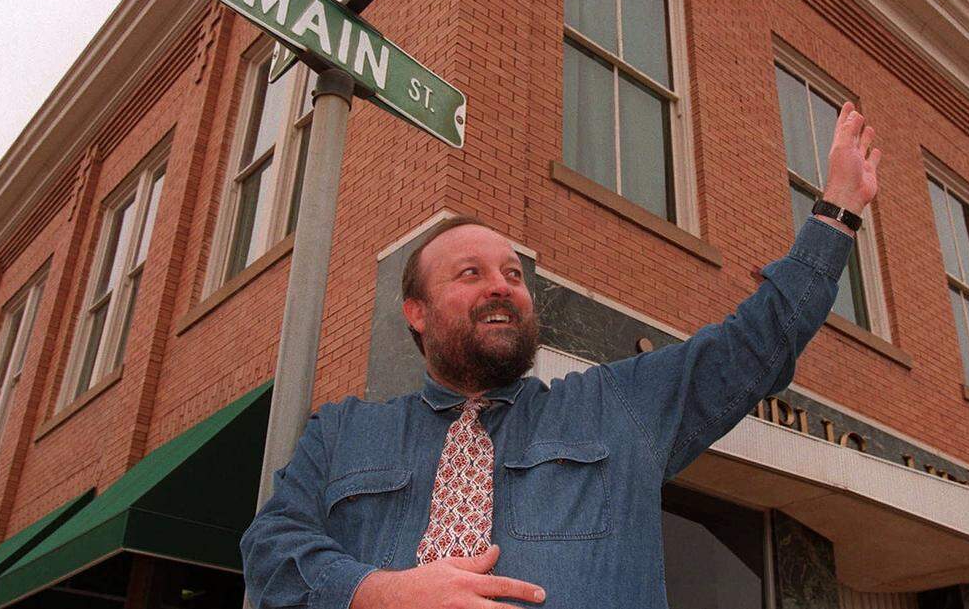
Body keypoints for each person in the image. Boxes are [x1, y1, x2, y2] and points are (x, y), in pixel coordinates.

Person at [241, 101, 882, 608]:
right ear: (415, 311)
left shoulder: (616, 410)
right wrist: (377, 593)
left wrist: (839, 211)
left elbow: (752, 347)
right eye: (470, 273)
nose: (501, 284)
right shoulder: (343, 434)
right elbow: (270, 549)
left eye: (514, 274)